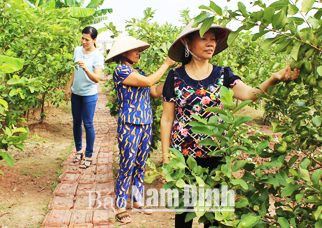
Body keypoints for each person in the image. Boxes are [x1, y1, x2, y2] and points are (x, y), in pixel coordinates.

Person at [160, 21, 300, 228]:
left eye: (213, 40)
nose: (210, 44)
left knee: (215, 214)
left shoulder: (223, 75)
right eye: (204, 39)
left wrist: (274, 78)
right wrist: (166, 158)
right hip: (184, 158)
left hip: (217, 154)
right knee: (184, 214)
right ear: (188, 43)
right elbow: (167, 119)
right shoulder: (175, 77)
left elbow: (250, 94)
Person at [105, 34, 176, 224]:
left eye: (138, 49)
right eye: (134, 49)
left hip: (145, 123)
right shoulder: (121, 70)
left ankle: (137, 201)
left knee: (140, 164)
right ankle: (120, 205)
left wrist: (172, 78)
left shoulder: (140, 71)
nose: (138, 52)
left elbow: (153, 91)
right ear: (123, 53)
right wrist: (166, 64)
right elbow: (147, 83)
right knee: (127, 165)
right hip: (129, 124)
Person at [65, 26, 104, 169]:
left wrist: (86, 68)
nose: (83, 42)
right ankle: (78, 150)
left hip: (89, 94)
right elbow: (73, 71)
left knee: (88, 124)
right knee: (76, 123)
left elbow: (97, 79)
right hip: (76, 93)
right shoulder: (77, 50)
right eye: (82, 38)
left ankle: (88, 155)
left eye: (87, 39)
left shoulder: (98, 56)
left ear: (94, 40)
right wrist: (69, 86)